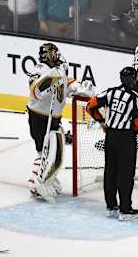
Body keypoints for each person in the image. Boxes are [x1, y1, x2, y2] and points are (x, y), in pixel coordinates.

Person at [27, 43, 93, 201]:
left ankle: (49, 179)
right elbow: (36, 91)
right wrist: (53, 79)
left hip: (54, 116)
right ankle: (35, 184)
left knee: (55, 150)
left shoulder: (59, 68)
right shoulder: (40, 69)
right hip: (40, 117)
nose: (58, 55)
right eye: (55, 53)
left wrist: (79, 87)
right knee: (43, 152)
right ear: (48, 55)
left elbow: (66, 83)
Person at [86, 67, 138, 221]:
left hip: (110, 136)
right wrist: (131, 131)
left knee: (110, 171)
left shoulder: (110, 92)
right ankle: (125, 210)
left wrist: (101, 121)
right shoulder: (135, 98)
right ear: (134, 79)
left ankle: (111, 206)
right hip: (126, 138)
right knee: (125, 174)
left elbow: (90, 106)